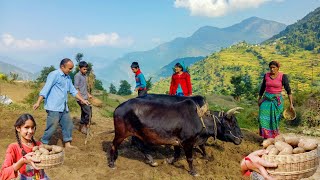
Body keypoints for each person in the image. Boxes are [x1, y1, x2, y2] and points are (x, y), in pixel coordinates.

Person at [33, 58, 90, 149]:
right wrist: (38, 102)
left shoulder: (67, 77)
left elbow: (73, 91)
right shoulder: (54, 75)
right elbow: (46, 88)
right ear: (62, 67)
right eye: (69, 68)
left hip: (63, 106)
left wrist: (83, 100)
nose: (71, 71)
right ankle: (43, 143)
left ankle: (67, 144)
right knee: (52, 126)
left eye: (71, 68)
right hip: (53, 106)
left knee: (68, 125)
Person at [0, 114, 49, 180]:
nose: (30, 131)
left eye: (32, 127)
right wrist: (22, 161)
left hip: (42, 177)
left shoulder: (39, 145)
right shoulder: (13, 147)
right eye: (26, 127)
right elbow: (3, 174)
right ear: (18, 128)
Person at [258, 61, 294, 139]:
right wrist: (259, 99)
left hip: (276, 101)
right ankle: (266, 137)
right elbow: (262, 88)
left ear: (278, 68)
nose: (272, 69)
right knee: (262, 117)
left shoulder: (283, 76)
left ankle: (274, 137)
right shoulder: (266, 76)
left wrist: (291, 104)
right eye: (270, 68)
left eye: (274, 67)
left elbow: (289, 91)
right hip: (266, 99)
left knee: (275, 119)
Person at [74, 61, 92, 134]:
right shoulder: (77, 76)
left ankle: (81, 126)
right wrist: (81, 99)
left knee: (84, 112)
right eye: (84, 69)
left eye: (86, 69)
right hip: (80, 98)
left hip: (85, 97)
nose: (85, 70)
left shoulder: (85, 76)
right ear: (79, 68)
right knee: (88, 111)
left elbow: (83, 87)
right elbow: (77, 88)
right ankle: (85, 127)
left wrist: (88, 94)